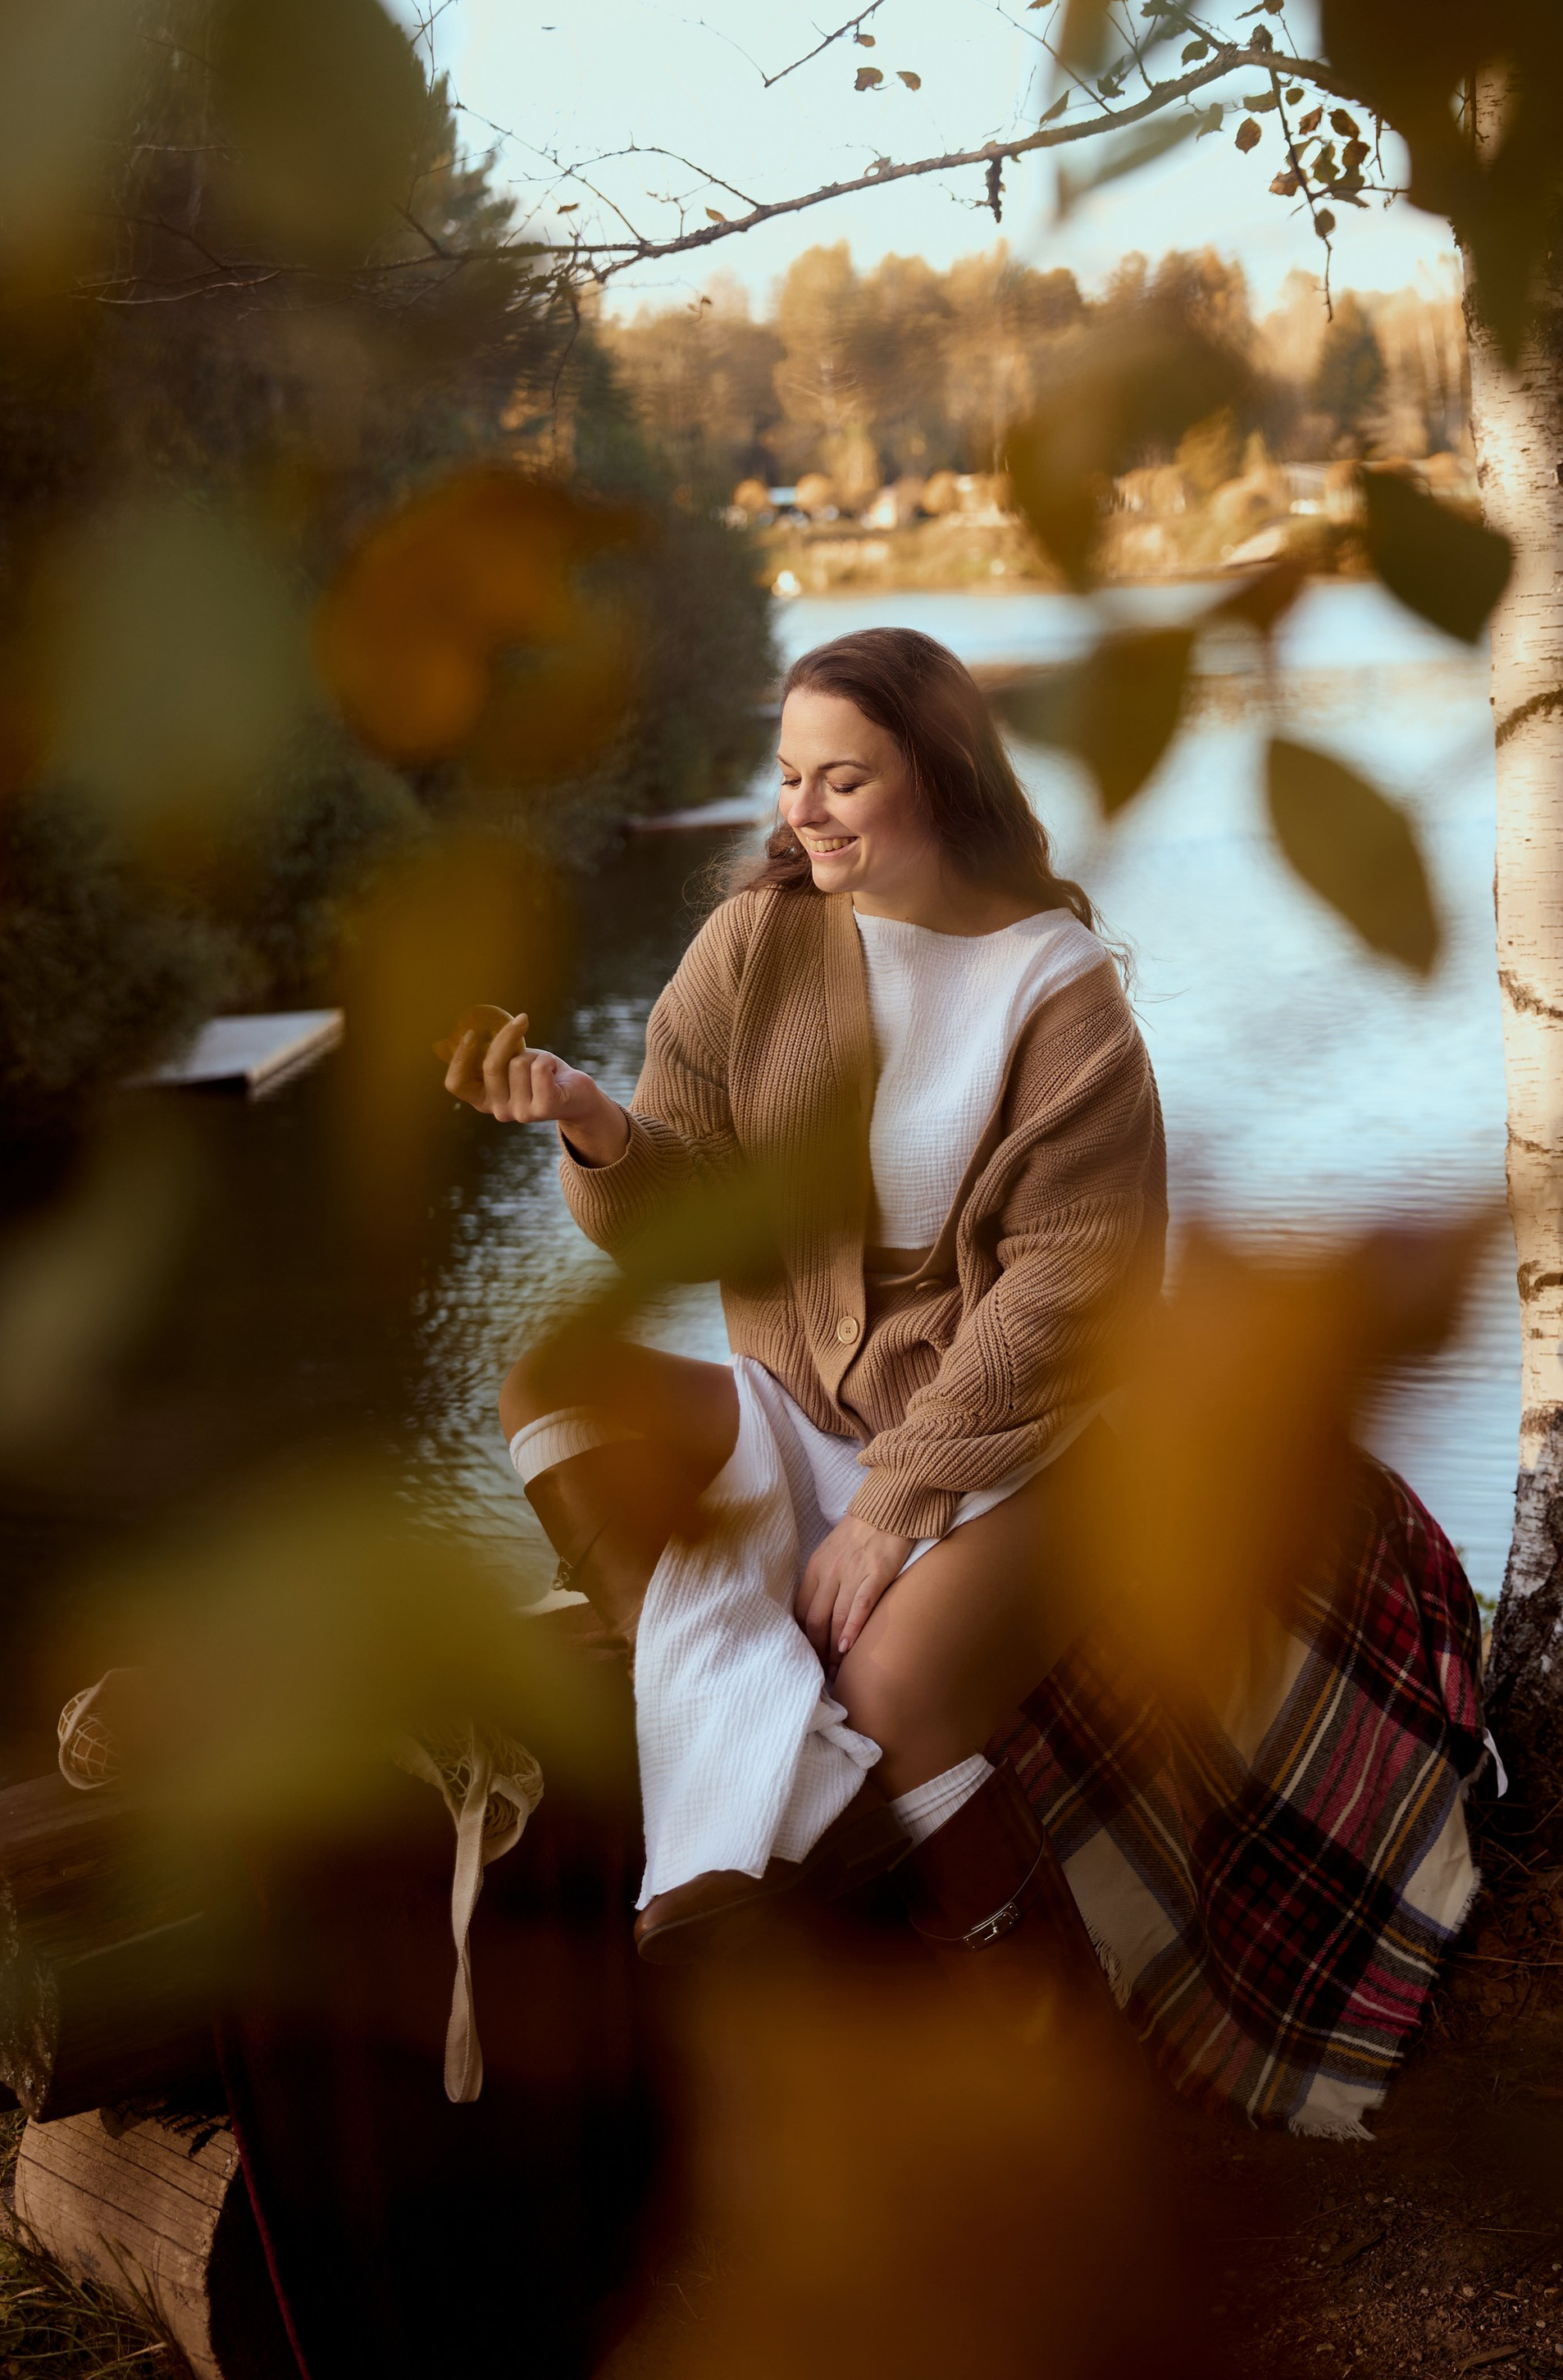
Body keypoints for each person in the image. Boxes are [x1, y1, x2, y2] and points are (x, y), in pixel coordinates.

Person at [444, 626, 1163, 2004]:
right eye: (788, 777)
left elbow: (1068, 1286)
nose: (802, 814)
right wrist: (595, 1124)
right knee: (553, 1385)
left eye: (842, 781)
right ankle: (760, 1738)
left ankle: (1043, 2049)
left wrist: (896, 1505)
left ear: (941, 777)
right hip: (798, 1402)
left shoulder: (1056, 991)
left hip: (1017, 1432)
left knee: (898, 1695)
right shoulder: (754, 944)